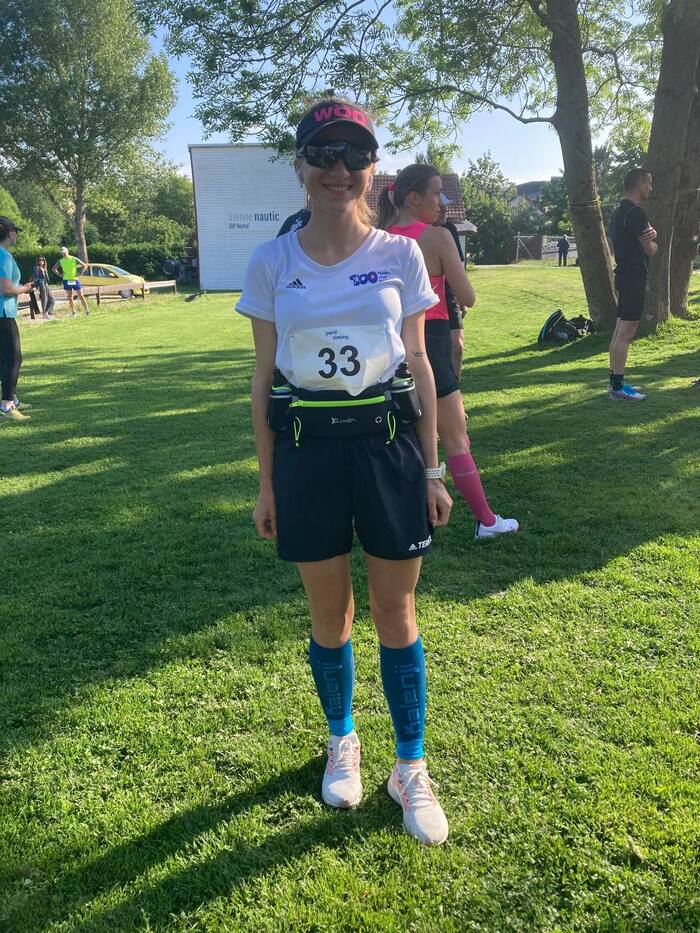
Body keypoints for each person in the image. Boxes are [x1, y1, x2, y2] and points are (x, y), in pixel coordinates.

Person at [238, 99, 454, 846]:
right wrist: (268, 483)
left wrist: (433, 468)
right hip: (308, 453)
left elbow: (419, 362)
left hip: (387, 449)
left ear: (373, 168)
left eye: (354, 155)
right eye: (323, 154)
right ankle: (342, 739)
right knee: (329, 615)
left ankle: (409, 765)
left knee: (398, 612)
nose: (339, 169)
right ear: (300, 165)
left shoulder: (400, 255)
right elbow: (264, 377)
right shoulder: (272, 262)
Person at [378, 164, 519, 540]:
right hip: (431, 340)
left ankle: (405, 516)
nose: (443, 201)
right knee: (455, 438)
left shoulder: (379, 238)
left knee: (405, 434)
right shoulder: (437, 238)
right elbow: (467, 296)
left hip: (388, 345)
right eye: (437, 192)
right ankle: (486, 521)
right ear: (413, 198)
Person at [607, 169, 657, 401]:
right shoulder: (636, 213)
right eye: (649, 183)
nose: (651, 188)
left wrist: (651, 235)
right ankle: (617, 387)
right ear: (639, 184)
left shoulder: (619, 212)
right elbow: (651, 249)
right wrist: (654, 239)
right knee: (627, 332)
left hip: (624, 275)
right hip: (633, 276)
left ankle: (615, 382)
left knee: (620, 330)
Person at [0, 217, 35, 422]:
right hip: (3, 313)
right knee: (14, 358)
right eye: (15, 232)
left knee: (4, 359)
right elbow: (5, 288)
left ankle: (12, 399)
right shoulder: (3, 256)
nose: (16, 236)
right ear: (10, 233)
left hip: (4, 312)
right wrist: (25, 288)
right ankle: (6, 406)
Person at [435, 194, 467, 379]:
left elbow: (459, 268)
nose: (444, 209)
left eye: (445, 205)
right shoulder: (418, 232)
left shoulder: (449, 229)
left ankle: (455, 388)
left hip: (449, 293)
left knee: (457, 347)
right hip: (426, 298)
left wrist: (461, 298)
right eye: (440, 205)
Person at [52, 246, 89, 316]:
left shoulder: (74, 259)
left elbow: (85, 265)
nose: (63, 254)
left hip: (75, 280)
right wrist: (60, 275)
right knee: (70, 297)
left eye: (64, 252)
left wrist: (80, 273)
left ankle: (87, 311)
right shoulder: (60, 261)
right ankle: (74, 312)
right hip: (66, 280)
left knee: (81, 296)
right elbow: (53, 269)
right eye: (62, 253)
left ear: (67, 251)